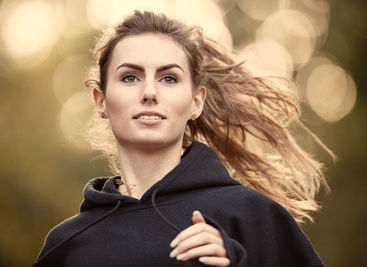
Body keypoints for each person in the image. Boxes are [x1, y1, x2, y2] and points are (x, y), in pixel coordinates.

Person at [32, 10, 330, 267]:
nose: (149, 92)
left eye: (169, 78)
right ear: (101, 100)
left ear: (196, 102)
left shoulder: (252, 217)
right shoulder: (66, 244)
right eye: (130, 77)